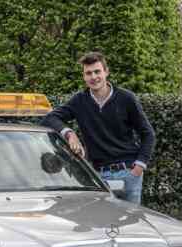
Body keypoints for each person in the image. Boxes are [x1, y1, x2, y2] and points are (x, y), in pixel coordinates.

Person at [41, 51, 155, 204]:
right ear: (84, 76)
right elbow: (50, 118)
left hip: (128, 173)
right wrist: (69, 133)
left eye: (97, 71)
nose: (93, 77)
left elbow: (148, 134)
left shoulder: (126, 98)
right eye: (88, 73)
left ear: (106, 72)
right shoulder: (79, 101)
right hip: (99, 177)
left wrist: (139, 166)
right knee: (102, 222)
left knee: (131, 224)